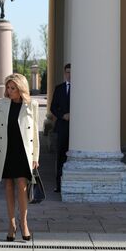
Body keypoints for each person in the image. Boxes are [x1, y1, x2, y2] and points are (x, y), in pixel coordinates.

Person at [0, 73, 39, 241]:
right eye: (8, 87)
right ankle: (11, 223)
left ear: (21, 89)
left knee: (22, 184)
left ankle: (24, 223)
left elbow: (34, 133)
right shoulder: (2, 104)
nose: (9, 91)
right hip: (5, 149)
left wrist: (35, 156)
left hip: (23, 150)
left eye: (13, 88)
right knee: (8, 185)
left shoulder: (31, 105)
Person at [50, 63, 71, 192]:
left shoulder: (81, 88)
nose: (70, 75)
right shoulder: (59, 89)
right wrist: (62, 115)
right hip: (62, 126)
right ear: (64, 73)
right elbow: (53, 107)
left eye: (72, 72)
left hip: (77, 129)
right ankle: (59, 185)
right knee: (61, 156)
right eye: (68, 72)